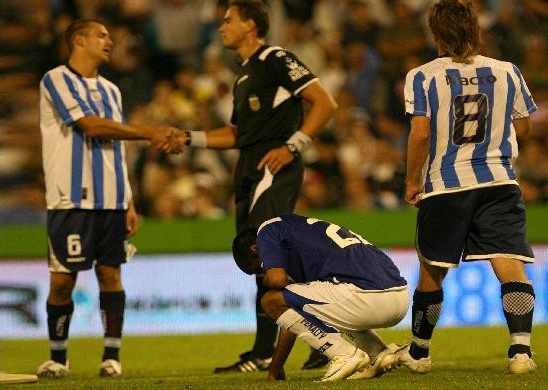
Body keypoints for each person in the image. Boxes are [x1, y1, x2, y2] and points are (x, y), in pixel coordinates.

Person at [178, 0, 337, 372]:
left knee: (269, 255)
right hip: (249, 169)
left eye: (228, 20)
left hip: (272, 166)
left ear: (251, 25)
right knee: (259, 260)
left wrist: (293, 146)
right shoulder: (244, 75)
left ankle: (322, 338)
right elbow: (236, 134)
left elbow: (324, 103)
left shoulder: (276, 58)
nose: (221, 27)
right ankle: (269, 350)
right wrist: (188, 137)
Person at [36, 19, 182, 378]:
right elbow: (89, 125)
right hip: (70, 199)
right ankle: (58, 357)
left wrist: (129, 200)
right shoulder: (56, 79)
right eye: (102, 34)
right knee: (62, 280)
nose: (110, 40)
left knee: (111, 275)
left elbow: (117, 149)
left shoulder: (112, 91)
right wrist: (149, 132)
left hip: (113, 201)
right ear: (79, 40)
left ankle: (111, 356)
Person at [401, 0, 538, 375]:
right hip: (499, 181)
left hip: (446, 184)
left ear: (436, 34)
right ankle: (521, 352)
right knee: (511, 266)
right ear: (476, 30)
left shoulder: (423, 75)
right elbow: (524, 128)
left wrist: (412, 180)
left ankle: (419, 353)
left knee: (432, 270)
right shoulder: (508, 71)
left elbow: (421, 133)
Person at [232, 213, 409, 381]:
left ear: (255, 248)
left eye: (259, 269)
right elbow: (294, 318)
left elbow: (277, 280)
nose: (263, 273)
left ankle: (342, 354)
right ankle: (378, 353)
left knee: (269, 300)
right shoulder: (302, 236)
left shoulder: (267, 230)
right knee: (325, 301)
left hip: (366, 296)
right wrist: (275, 369)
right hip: (400, 297)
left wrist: (269, 280)